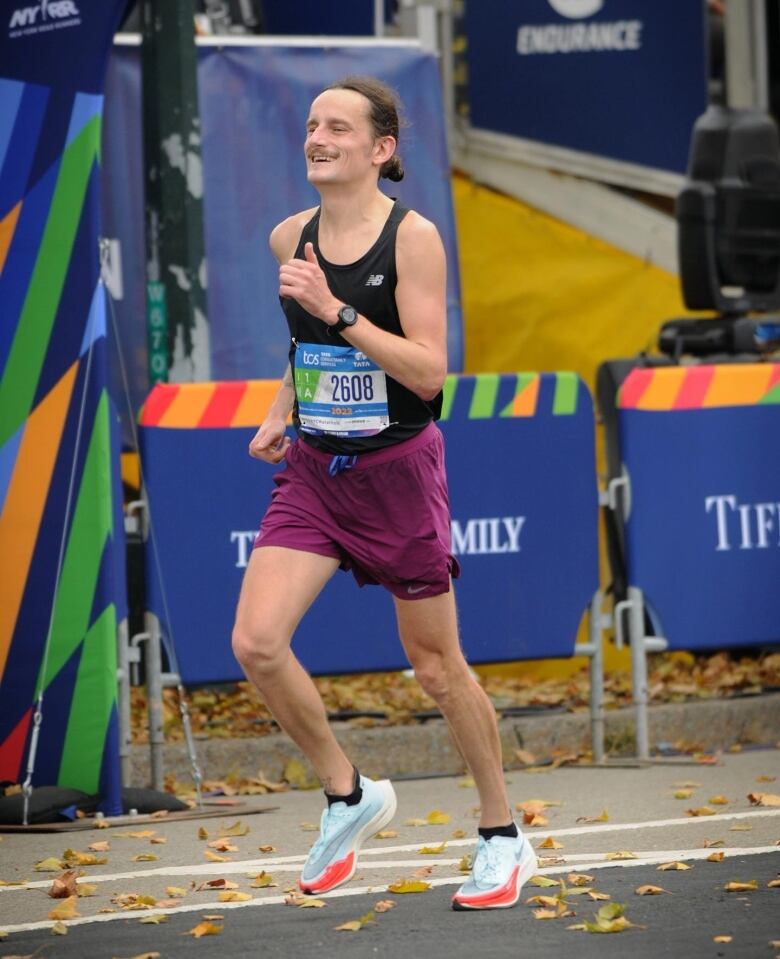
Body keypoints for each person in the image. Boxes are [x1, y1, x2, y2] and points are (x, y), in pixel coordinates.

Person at [231, 75, 536, 911]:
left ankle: (503, 835)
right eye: (310, 125)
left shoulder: (414, 240)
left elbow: (431, 374)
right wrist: (279, 408)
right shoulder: (288, 236)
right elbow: (300, 347)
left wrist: (337, 312)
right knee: (256, 641)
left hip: (398, 470)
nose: (317, 137)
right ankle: (348, 792)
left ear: (381, 149)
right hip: (317, 471)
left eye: (337, 126)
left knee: (437, 669)